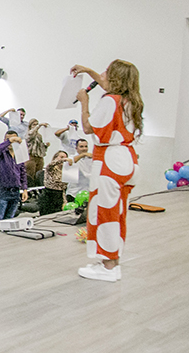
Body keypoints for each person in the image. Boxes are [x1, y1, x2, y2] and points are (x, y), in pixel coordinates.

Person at [72, 60, 143, 282]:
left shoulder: (110, 101)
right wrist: (88, 71)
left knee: (105, 212)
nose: (102, 75)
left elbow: (88, 127)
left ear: (115, 78)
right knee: (117, 212)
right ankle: (112, 260)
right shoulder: (130, 100)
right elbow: (104, 84)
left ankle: (108, 265)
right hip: (126, 159)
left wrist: (84, 103)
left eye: (106, 72)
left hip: (109, 161)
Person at [0, 130, 29, 226]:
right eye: (8, 140)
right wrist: (10, 141)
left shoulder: (19, 154)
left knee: (9, 220)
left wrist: (24, 189)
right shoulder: (0, 153)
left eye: (14, 140)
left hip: (14, 191)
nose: (11, 142)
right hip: (1, 191)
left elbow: (22, 172)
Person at [41, 151, 71, 215]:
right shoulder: (50, 168)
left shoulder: (65, 171)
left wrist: (65, 201)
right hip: (49, 194)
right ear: (55, 158)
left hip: (60, 195)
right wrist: (63, 160)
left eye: (65, 157)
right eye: (61, 157)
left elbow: (63, 188)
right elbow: (51, 164)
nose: (64, 159)